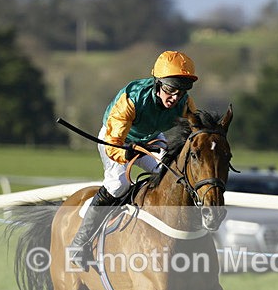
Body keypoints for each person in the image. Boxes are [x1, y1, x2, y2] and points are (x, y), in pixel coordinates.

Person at [68, 50, 199, 270]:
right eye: (170, 89)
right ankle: (79, 242)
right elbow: (113, 141)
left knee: (173, 174)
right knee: (119, 184)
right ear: (157, 83)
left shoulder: (183, 102)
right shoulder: (132, 97)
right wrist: (126, 153)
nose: (175, 97)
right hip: (117, 139)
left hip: (152, 138)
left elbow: (197, 127)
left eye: (182, 91)